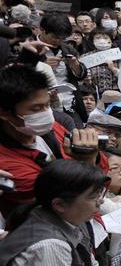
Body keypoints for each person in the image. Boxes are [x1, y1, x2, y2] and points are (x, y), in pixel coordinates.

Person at [0, 56, 101, 219]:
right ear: (4, 112)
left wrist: (92, 156)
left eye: (47, 104)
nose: (46, 114)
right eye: (36, 108)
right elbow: (67, 204)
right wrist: (87, 161)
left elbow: (103, 172)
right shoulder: (6, 163)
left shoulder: (52, 128)